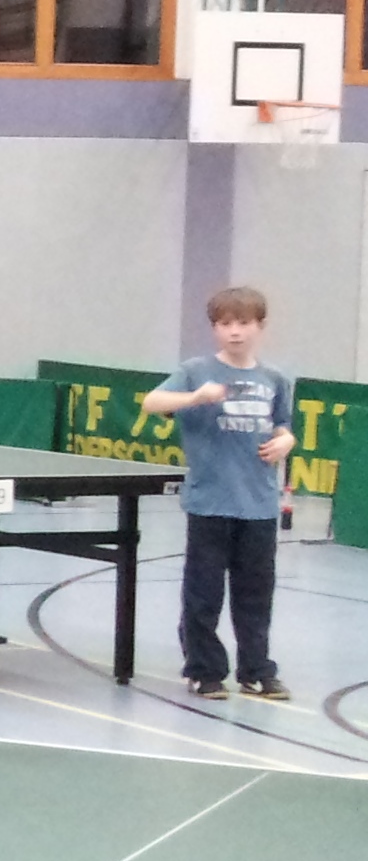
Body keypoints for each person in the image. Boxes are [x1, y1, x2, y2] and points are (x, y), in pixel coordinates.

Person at [141, 287, 298, 701]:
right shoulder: (196, 371)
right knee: (204, 593)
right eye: (226, 324)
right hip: (210, 503)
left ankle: (256, 670)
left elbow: (282, 424)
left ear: (260, 326)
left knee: (255, 596)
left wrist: (287, 440)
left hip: (259, 506)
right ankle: (204, 670)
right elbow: (151, 401)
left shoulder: (275, 379)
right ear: (215, 329)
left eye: (243, 323)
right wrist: (195, 397)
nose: (235, 332)